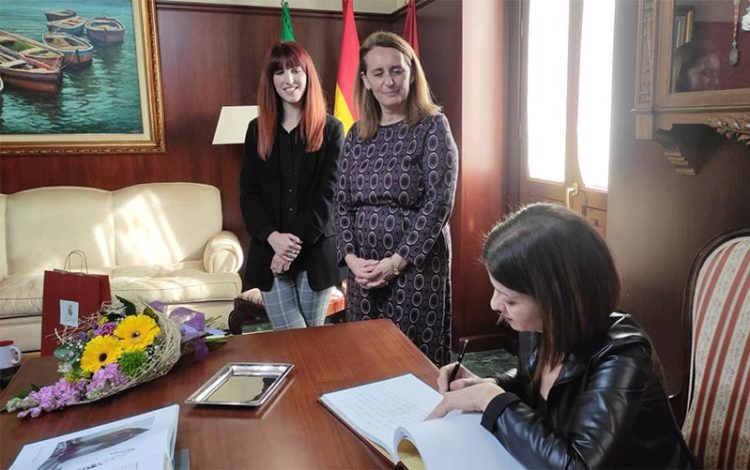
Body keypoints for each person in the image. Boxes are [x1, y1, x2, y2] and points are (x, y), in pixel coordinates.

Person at [427, 204, 698, 469]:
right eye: (496, 290)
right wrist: (487, 384)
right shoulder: (543, 326)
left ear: (556, 300)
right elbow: (536, 383)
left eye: (510, 300)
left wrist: (491, 399)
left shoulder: (623, 354)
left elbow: (579, 464)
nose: (494, 305)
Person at [335, 31, 458, 366]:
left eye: (397, 70)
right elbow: (342, 202)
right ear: (366, 80)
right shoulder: (356, 135)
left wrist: (395, 263)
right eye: (378, 73)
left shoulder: (432, 126)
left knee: (412, 357)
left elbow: (438, 204)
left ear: (411, 73)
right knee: (367, 354)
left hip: (415, 267)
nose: (388, 81)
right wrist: (350, 259)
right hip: (365, 270)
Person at [240, 41, 344, 330]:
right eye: (280, 72)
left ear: (308, 74)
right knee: (294, 336)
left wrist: (289, 247)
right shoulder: (255, 129)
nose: (288, 80)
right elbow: (249, 195)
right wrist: (273, 239)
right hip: (268, 253)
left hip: (315, 255)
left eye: (295, 70)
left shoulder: (332, 129)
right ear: (270, 80)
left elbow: (330, 196)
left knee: (307, 340)